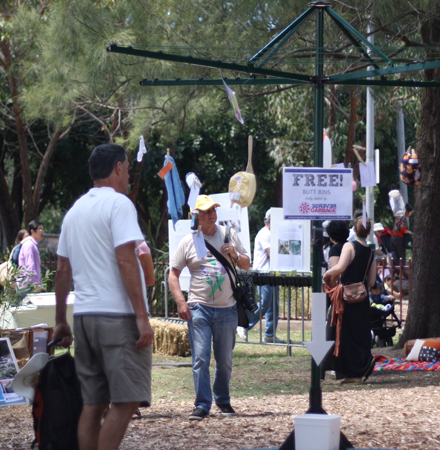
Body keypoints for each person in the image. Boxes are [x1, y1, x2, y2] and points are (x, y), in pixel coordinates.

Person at [52, 144, 153, 450]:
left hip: (83, 318)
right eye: (127, 169)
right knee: (127, 399)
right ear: (119, 168)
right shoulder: (119, 205)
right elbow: (126, 260)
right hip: (118, 316)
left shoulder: (75, 211)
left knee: (92, 403)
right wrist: (141, 315)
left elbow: (62, 270)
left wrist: (60, 321)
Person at [169, 194, 251, 420]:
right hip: (199, 308)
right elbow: (173, 275)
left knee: (224, 360)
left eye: (213, 209)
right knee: (201, 358)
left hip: (227, 308)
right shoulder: (188, 241)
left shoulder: (229, 234)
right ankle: (202, 404)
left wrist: (234, 254)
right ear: (196, 216)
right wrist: (181, 302)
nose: (212, 214)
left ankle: (223, 401)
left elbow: (247, 263)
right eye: (206, 211)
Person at [323, 217, 377, 382]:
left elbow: (340, 267)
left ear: (354, 229)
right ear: (368, 232)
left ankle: (348, 372)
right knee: (359, 334)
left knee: (344, 334)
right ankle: (359, 370)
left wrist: (327, 274)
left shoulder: (349, 245)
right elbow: (371, 282)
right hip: (362, 297)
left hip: (346, 297)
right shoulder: (371, 251)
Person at [255, 208, 282, 343]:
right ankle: (243, 324)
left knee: (273, 305)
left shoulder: (271, 233)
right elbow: (272, 254)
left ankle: (269, 335)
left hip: (271, 273)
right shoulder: (265, 234)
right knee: (265, 303)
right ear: (271, 219)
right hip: (263, 273)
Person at [17, 220, 44, 292]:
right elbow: (30, 266)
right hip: (27, 287)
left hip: (29, 285)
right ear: (32, 231)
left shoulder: (32, 245)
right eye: (40, 229)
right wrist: (35, 285)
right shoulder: (29, 245)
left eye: (43, 229)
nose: (42, 232)